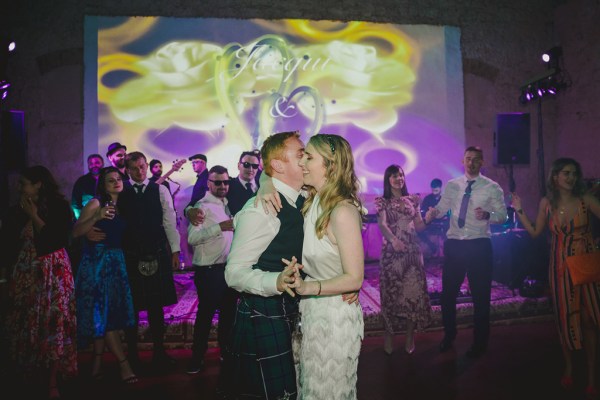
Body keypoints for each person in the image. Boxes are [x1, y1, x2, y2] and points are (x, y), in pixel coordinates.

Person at [221, 131, 305, 399]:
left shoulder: (302, 195)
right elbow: (234, 273)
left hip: (289, 310)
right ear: (279, 165)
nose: (308, 158)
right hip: (264, 313)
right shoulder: (260, 210)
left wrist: (266, 179)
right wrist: (275, 281)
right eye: (301, 154)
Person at [512, 158, 600, 398]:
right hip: (560, 267)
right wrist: (519, 209)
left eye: (574, 173)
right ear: (555, 177)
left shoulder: (586, 200)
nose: (571, 178)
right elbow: (534, 232)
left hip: (585, 264)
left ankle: (593, 375)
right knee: (565, 319)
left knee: (590, 319)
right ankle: (569, 366)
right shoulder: (547, 203)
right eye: (565, 173)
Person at [1, 166, 77, 399]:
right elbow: (8, 245)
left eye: (24, 183)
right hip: (26, 273)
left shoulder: (59, 207)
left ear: (38, 184)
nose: (20, 187)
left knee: (52, 323)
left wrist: (34, 215)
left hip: (53, 271)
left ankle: (52, 380)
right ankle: (27, 376)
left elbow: (56, 239)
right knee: (25, 322)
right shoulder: (15, 212)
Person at [425, 146, 507, 358]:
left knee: (481, 297)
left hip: (479, 245)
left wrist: (488, 214)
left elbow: (503, 216)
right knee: (447, 295)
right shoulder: (453, 185)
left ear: (482, 163)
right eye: (468, 159)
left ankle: (479, 344)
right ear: (463, 161)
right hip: (455, 245)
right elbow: (442, 208)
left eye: (476, 159)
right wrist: (433, 213)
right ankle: (449, 335)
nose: (471, 163)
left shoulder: (492, 187)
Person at [72, 166, 137, 384]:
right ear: (103, 185)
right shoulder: (96, 203)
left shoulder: (123, 205)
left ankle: (96, 366)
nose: (116, 182)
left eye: (119, 179)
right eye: (111, 180)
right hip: (97, 264)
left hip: (116, 262)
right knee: (105, 315)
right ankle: (123, 365)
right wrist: (95, 218)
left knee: (108, 315)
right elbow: (75, 231)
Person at [119, 151, 181, 371]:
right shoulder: (120, 190)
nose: (140, 171)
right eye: (135, 168)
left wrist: (175, 251)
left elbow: (169, 222)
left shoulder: (160, 189)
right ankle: (133, 356)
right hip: (129, 254)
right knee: (131, 307)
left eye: (143, 166)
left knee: (156, 308)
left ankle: (159, 353)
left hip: (156, 251)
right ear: (127, 169)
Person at [185, 165, 238, 375]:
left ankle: (225, 354)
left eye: (226, 182)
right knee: (205, 317)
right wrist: (220, 227)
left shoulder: (226, 204)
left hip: (227, 270)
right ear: (209, 183)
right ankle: (197, 359)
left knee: (228, 317)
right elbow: (191, 238)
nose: (223, 186)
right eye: (218, 182)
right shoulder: (202, 206)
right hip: (208, 272)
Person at [375, 164, 432, 355]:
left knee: (412, 296)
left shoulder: (413, 201)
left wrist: (429, 218)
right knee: (391, 295)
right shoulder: (383, 202)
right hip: (392, 253)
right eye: (393, 176)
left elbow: (419, 227)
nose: (398, 178)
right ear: (387, 179)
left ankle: (409, 336)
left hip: (413, 253)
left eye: (400, 175)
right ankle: (389, 335)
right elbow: (382, 225)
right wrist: (393, 240)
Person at [419, 178, 448, 257]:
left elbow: (449, 212)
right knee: (418, 230)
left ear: (440, 188)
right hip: (431, 222)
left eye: (436, 190)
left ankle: (447, 252)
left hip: (443, 222)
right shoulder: (428, 198)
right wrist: (428, 213)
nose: (434, 192)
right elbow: (422, 211)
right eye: (433, 190)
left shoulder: (445, 199)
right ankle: (432, 246)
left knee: (450, 229)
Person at [71, 153, 104, 219]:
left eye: (97, 162)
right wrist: (80, 220)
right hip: (87, 218)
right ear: (88, 165)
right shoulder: (81, 181)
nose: (94, 165)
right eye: (91, 164)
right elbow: (75, 204)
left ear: (102, 163)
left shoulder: (108, 179)